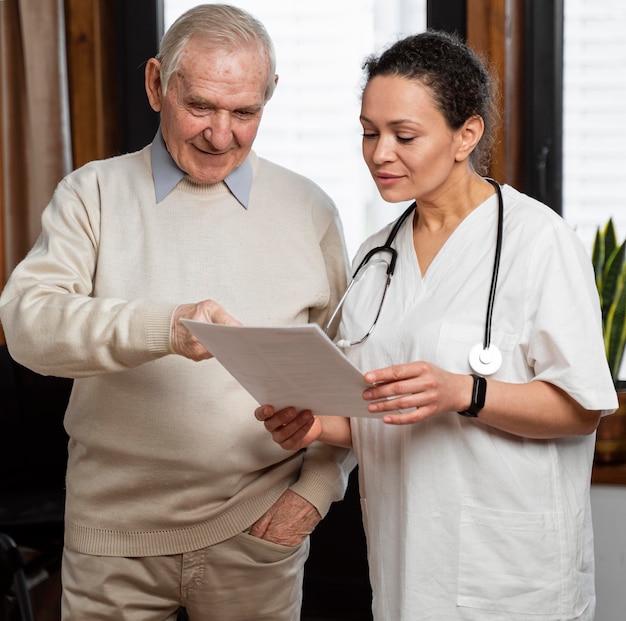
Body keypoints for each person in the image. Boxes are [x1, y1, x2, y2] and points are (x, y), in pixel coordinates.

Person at [0, 4, 355, 620]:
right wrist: (165, 329)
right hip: (112, 544)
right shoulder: (92, 194)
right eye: (200, 108)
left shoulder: (311, 211)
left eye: (245, 113)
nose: (222, 135)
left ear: (270, 98)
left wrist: (315, 495)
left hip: (257, 536)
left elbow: (347, 376)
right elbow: (29, 326)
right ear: (155, 85)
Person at [256, 30, 618, 620]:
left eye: (404, 135)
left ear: (466, 135)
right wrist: (316, 425)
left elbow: (583, 408)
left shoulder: (536, 239)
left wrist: (464, 391)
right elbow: (377, 414)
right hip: (405, 563)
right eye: (369, 133)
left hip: (511, 571)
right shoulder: (376, 258)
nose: (379, 154)